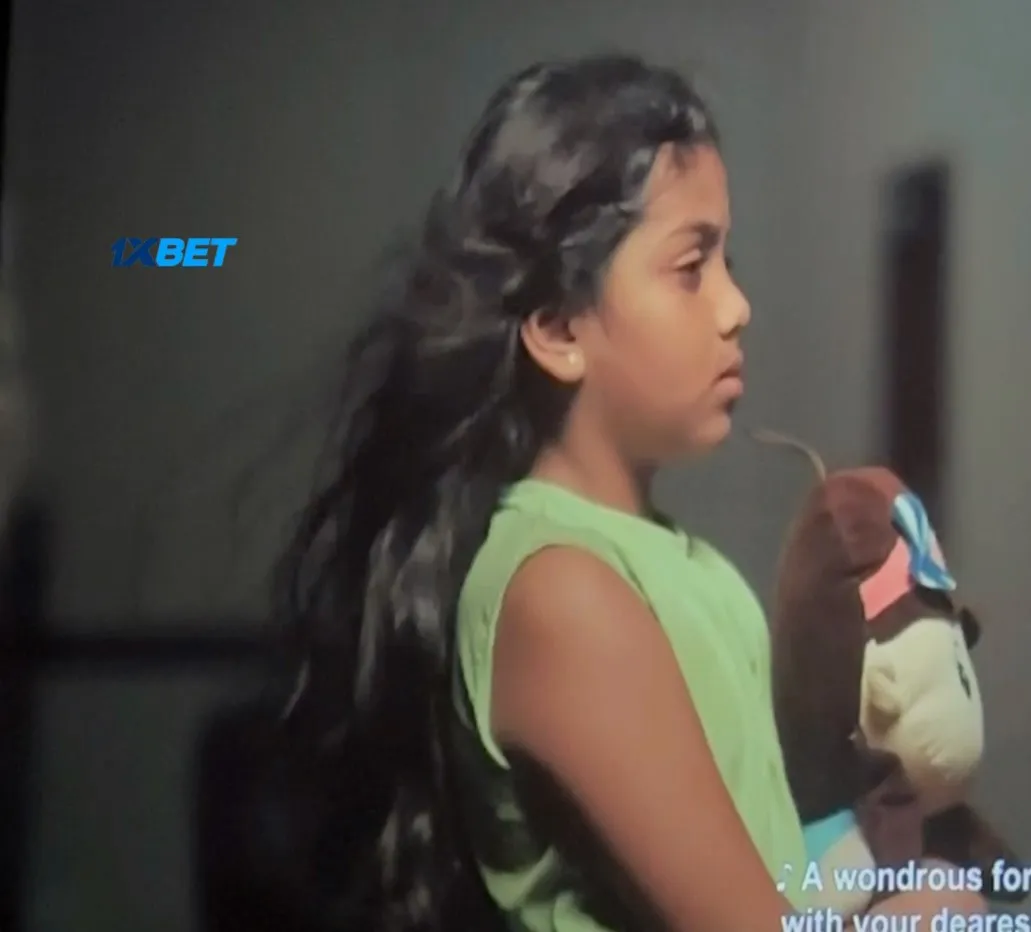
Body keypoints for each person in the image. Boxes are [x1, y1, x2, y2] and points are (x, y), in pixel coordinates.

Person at [275, 55, 982, 932]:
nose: (736, 307)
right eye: (691, 268)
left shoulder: (681, 561)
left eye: (727, 261)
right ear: (558, 329)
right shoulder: (560, 592)